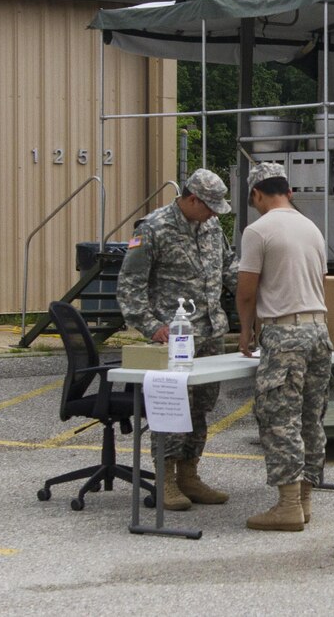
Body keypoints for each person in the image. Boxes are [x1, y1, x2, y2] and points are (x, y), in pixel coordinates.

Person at [116, 168, 239, 511]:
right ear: (191, 199)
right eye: (209, 206)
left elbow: (227, 268)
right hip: (174, 337)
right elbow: (129, 287)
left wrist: (256, 285)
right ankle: (165, 479)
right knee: (171, 406)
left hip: (210, 333)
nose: (215, 213)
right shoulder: (153, 228)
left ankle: (189, 474)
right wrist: (151, 326)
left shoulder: (211, 226)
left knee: (201, 407)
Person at [236, 161, 332, 532]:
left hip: (285, 334)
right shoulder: (312, 228)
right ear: (289, 192)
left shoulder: (258, 231)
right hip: (319, 332)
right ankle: (305, 501)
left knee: (280, 420)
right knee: (311, 419)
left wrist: (246, 331)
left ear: (257, 194)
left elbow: (247, 293)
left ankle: (288, 506)